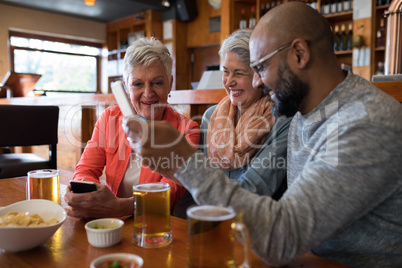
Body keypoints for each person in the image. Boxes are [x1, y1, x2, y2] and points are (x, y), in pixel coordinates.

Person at [123, 3, 402, 268]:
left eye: (261, 68)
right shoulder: (302, 113)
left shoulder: (364, 124)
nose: (256, 82)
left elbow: (282, 236)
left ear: (299, 55)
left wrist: (183, 162)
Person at [64, 37, 200, 219]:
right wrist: (84, 194)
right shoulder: (109, 118)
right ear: (126, 85)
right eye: (137, 84)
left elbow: (170, 193)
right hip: (110, 222)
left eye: (157, 83)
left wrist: (118, 207)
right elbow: (86, 169)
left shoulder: (188, 130)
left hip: (156, 224)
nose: (148, 93)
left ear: (170, 83)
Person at [200, 29, 290, 198]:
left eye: (239, 73)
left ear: (260, 76)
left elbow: (255, 188)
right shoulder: (209, 116)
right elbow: (202, 177)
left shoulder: (281, 121)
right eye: (226, 72)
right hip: (213, 216)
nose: (229, 81)